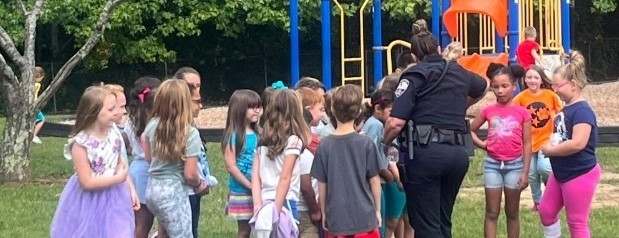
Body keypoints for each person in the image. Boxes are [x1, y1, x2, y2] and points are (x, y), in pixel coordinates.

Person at [382, 19, 488, 238]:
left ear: (413, 57)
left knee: (427, 225)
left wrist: (383, 142)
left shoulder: (414, 76)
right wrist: (461, 104)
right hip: (458, 154)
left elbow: (395, 122)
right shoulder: (458, 72)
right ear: (439, 49)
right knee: (442, 220)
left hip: (425, 154)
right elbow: (483, 86)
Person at [50, 86, 139, 237]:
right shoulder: (81, 143)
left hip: (116, 198)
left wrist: (130, 189)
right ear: (94, 112)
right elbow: (86, 182)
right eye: (111, 109)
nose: (116, 113)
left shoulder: (114, 134)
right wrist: (118, 179)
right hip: (90, 202)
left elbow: (120, 164)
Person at [539, 50, 601, 238]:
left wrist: (551, 150)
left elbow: (577, 143)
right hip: (561, 173)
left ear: (573, 85)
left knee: (577, 221)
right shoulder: (566, 109)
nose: (554, 90)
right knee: (546, 211)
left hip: (579, 172)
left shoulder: (582, 111)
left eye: (557, 86)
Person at [311, 85, 382, 237]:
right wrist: (377, 210)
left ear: (333, 111)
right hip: (364, 216)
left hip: (337, 217)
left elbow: (322, 183)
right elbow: (375, 180)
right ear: (358, 112)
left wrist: (324, 211)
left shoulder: (324, 145)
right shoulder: (366, 143)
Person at [470, 63, 532, 238]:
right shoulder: (488, 110)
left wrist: (525, 172)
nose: (500, 91)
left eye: (505, 86)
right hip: (492, 165)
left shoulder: (522, 113)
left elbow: (527, 143)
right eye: (496, 87)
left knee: (512, 212)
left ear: (514, 86)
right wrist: (483, 145)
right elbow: (470, 130)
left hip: (515, 165)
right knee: (491, 212)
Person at [143, 79, 207, 238]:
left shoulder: (152, 125)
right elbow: (190, 174)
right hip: (173, 193)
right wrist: (200, 184)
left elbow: (149, 158)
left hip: (152, 190)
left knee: (164, 233)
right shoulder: (190, 133)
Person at [250, 88, 311, 236]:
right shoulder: (294, 140)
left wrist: (257, 205)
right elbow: (285, 177)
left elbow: (255, 176)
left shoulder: (262, 140)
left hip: (264, 201)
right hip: (285, 201)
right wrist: (277, 210)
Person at [512, 65, 563, 211]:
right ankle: (538, 202)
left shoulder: (550, 95)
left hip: (546, 139)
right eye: (529, 77)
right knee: (532, 173)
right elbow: (512, 112)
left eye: (536, 77)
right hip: (528, 142)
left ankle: (553, 192)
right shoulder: (521, 97)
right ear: (524, 80)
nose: (532, 80)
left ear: (541, 80)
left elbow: (561, 112)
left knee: (545, 168)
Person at [363, 89, 405, 238]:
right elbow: (372, 154)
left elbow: (389, 150)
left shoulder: (381, 124)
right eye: (390, 111)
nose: (392, 115)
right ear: (377, 109)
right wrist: (389, 174)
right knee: (384, 221)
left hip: (386, 176)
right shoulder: (375, 125)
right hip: (379, 179)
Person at [222, 90, 262, 238]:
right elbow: (231, 166)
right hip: (241, 190)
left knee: (261, 227)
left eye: (259, 106)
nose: (257, 110)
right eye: (252, 107)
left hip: (260, 188)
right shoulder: (233, 136)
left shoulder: (259, 134)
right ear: (239, 109)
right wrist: (250, 185)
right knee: (245, 231)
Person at [126, 77, 161, 238]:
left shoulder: (131, 120)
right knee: (144, 223)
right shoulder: (154, 122)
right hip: (149, 169)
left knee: (140, 223)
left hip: (135, 170)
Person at [32, 66, 46, 144]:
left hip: (25, 105)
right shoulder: (37, 85)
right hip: (34, 105)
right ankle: (34, 135)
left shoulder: (24, 83)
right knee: (42, 118)